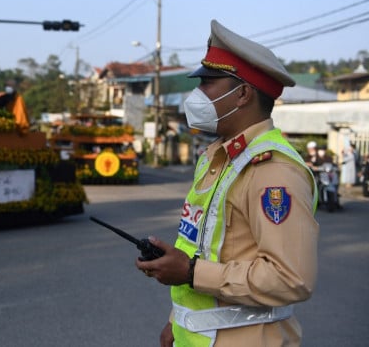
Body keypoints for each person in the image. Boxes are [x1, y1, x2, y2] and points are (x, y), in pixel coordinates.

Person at [136, 20, 319, 347]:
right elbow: (199, 246)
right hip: (194, 335)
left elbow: (291, 279)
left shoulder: (273, 171)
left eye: (207, 83)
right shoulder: (215, 157)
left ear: (243, 94)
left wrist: (191, 272)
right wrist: (176, 321)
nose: (197, 94)